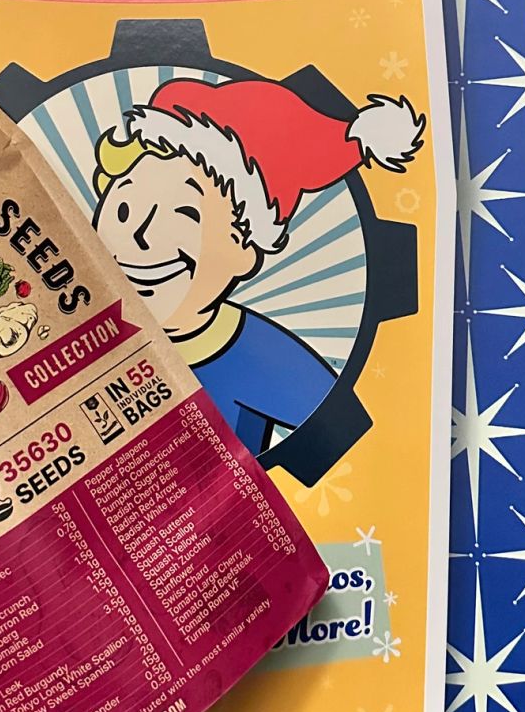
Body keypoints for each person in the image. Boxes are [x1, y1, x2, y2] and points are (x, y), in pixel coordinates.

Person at [92, 75, 425, 457]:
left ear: (244, 250)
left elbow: (347, 443)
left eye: (184, 215)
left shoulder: (263, 355)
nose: (138, 235)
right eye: (124, 207)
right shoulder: (81, 328)